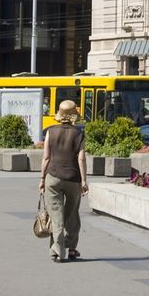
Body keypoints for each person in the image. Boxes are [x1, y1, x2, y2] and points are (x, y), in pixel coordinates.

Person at [37, 99, 88, 262]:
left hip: (53, 177)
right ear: (74, 116)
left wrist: (42, 179)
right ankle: (72, 248)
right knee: (72, 214)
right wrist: (84, 181)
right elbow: (81, 159)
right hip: (73, 179)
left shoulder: (50, 131)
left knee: (56, 215)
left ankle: (58, 252)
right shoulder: (79, 134)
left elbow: (46, 158)